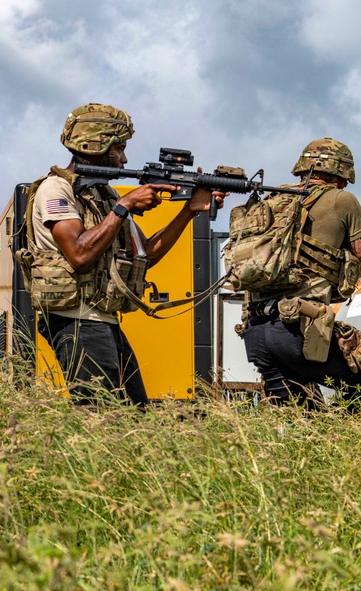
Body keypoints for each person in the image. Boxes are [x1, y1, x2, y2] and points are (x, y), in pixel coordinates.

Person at [17, 103, 224, 405]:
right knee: (99, 415)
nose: (125, 158)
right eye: (119, 148)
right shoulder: (56, 189)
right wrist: (124, 206)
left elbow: (147, 255)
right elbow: (79, 254)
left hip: (103, 322)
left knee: (134, 415)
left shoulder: (105, 195)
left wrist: (189, 211)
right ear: (96, 143)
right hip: (76, 321)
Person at [236, 138, 361, 409]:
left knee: (304, 418)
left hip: (256, 334)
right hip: (298, 332)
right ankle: (344, 439)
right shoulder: (343, 200)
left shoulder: (274, 200)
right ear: (341, 175)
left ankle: (320, 441)